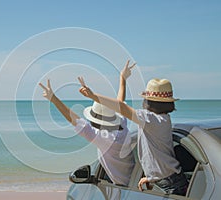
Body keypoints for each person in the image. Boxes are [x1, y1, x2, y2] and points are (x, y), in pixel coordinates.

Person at [78, 61, 189, 195]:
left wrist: (93, 96)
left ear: (148, 101)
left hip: (169, 185)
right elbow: (121, 109)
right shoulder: (162, 119)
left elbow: (121, 108)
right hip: (170, 179)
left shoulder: (150, 119)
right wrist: (122, 80)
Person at [39, 77, 135, 186]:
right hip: (134, 180)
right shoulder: (122, 125)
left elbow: (76, 121)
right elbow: (120, 104)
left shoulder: (105, 138)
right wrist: (122, 79)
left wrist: (53, 99)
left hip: (124, 188)